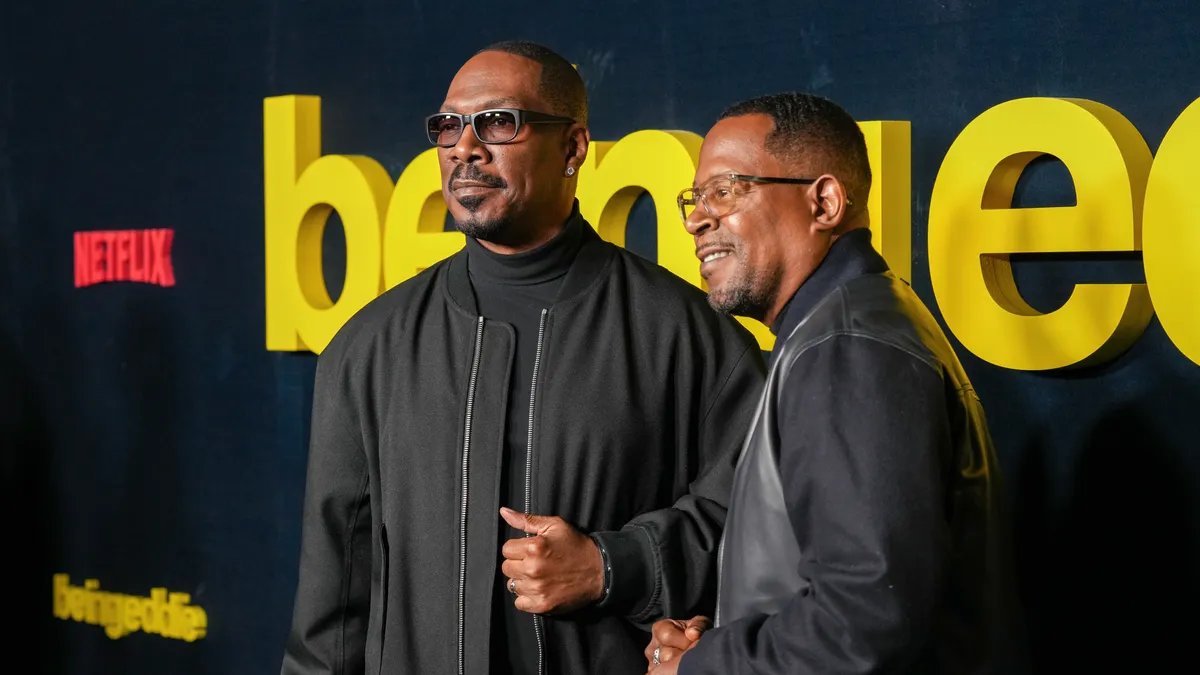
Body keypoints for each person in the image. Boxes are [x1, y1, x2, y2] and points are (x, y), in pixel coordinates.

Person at [279, 41, 765, 675]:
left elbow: (757, 527)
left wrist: (611, 564)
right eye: (449, 126)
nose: (464, 147)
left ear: (573, 148)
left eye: (498, 122)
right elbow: (334, 598)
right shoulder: (368, 347)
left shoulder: (689, 333)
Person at [645, 92, 1026, 674]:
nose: (698, 218)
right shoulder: (845, 328)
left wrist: (704, 668)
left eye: (725, 190)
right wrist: (720, 643)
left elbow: (863, 624)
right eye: (694, 198)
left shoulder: (847, 347)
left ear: (823, 202)